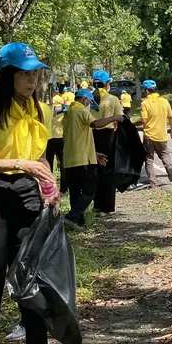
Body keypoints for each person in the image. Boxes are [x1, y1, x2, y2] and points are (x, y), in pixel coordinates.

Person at [0, 42, 69, 344]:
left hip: (28, 192)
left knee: (30, 272)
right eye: (25, 73)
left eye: (35, 73)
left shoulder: (41, 110)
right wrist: (18, 163)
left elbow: (40, 158)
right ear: (9, 75)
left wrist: (50, 187)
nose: (32, 80)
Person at [63, 89, 124, 226]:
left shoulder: (68, 113)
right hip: (81, 159)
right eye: (90, 102)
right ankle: (71, 216)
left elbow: (76, 138)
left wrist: (94, 154)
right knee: (90, 187)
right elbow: (95, 124)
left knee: (75, 190)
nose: (89, 105)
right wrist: (114, 118)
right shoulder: (81, 111)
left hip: (69, 158)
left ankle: (78, 221)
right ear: (85, 99)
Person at [134, 79, 172, 186]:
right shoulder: (164, 102)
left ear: (147, 91)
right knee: (164, 154)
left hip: (149, 136)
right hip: (161, 135)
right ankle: (170, 167)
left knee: (149, 158)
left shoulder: (145, 103)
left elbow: (143, 120)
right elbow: (171, 118)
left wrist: (133, 123)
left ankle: (152, 182)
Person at [91, 69, 122, 214]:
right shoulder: (113, 99)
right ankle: (108, 207)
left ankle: (97, 205)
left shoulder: (88, 99)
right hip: (108, 136)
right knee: (108, 171)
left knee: (95, 170)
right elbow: (119, 120)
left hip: (92, 136)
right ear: (107, 83)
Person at [46, 102, 67, 194]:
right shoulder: (64, 117)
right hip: (60, 140)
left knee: (49, 164)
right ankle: (63, 188)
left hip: (50, 140)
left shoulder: (51, 118)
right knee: (63, 165)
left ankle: (49, 187)